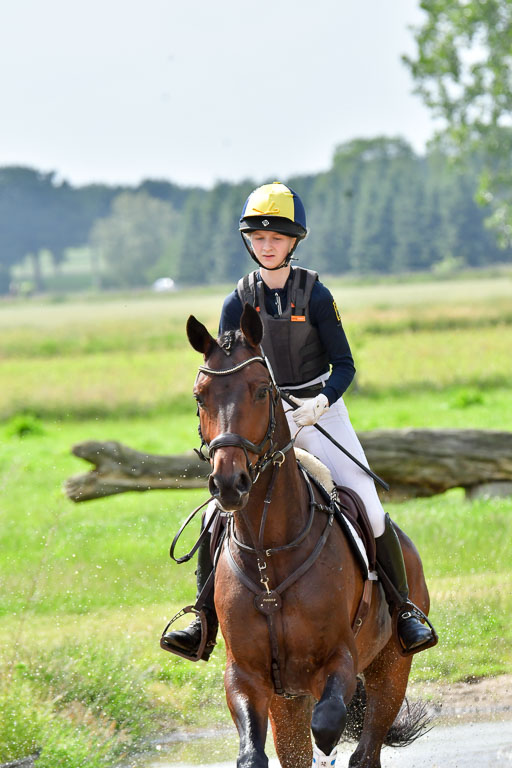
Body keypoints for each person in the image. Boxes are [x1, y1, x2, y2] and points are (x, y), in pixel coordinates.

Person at [162, 182, 435, 660]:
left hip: (320, 410)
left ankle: (404, 610)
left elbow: (345, 365)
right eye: (258, 239)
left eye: (276, 238)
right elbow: (228, 373)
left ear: (293, 242)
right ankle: (202, 620)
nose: (266, 246)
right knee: (214, 515)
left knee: (367, 503)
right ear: (250, 243)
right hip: (261, 417)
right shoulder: (235, 302)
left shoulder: (316, 294)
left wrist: (320, 403)